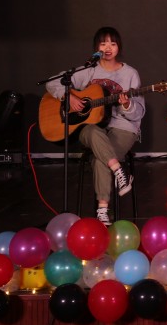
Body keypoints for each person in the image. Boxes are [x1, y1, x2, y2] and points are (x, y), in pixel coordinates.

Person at [46, 26, 141, 226]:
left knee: (100, 158)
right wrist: (68, 97)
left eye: (113, 43)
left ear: (119, 47)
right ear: (96, 47)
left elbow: (139, 113)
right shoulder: (88, 70)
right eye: (103, 43)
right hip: (93, 129)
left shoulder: (130, 74)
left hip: (122, 127)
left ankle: (102, 211)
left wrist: (126, 105)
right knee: (91, 131)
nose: (108, 48)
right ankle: (119, 172)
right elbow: (52, 83)